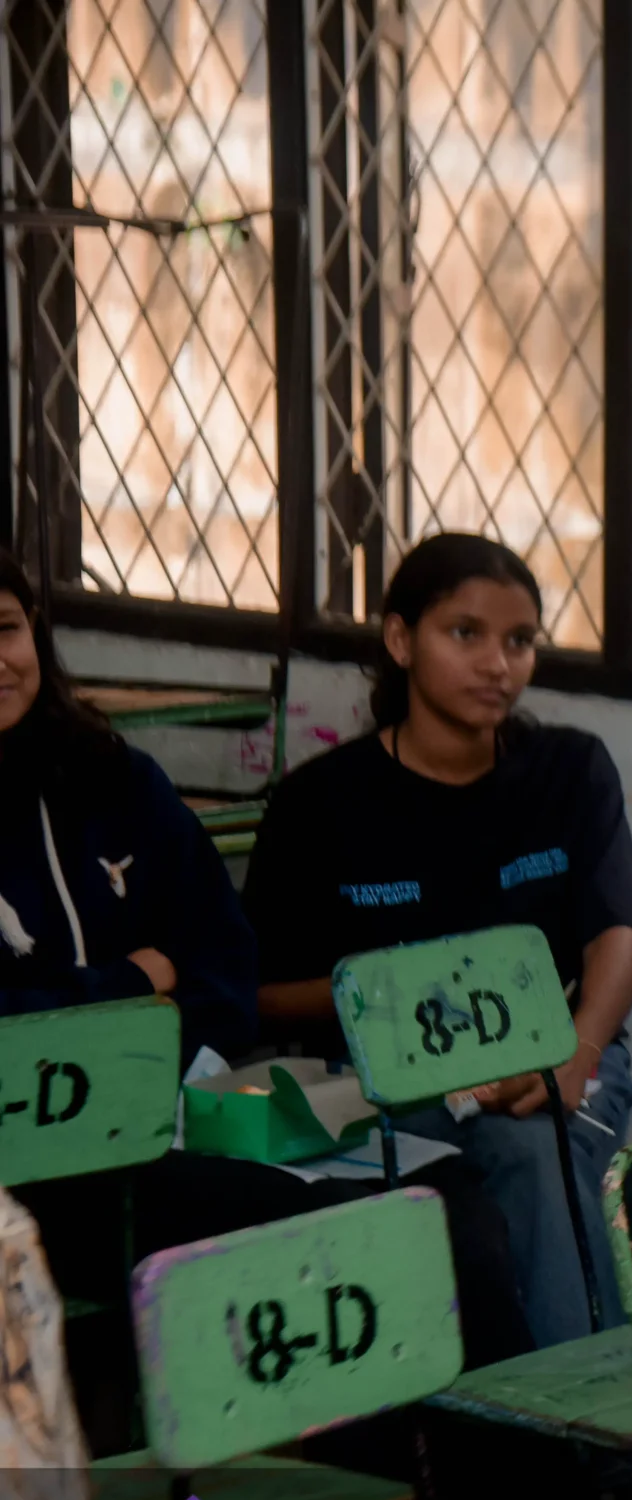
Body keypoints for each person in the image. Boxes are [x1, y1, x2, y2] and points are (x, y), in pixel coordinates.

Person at [0, 552, 529, 1378]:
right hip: (35, 1173)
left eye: (6, 630)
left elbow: (223, 963)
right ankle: (347, 1457)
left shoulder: (112, 778)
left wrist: (148, 1037)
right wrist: (134, 981)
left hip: (179, 1119)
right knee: (341, 1232)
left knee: (450, 1201)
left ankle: (505, 1453)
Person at [244, 534, 632, 1348]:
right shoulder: (320, 804)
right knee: (507, 1176)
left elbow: (616, 934)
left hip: (560, 1059)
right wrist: (392, 996)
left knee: (535, 1143)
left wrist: (577, 1054)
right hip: (386, 1086)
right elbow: (259, 992)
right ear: (401, 640)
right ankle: (591, 1411)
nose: (497, 664)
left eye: (520, 640)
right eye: (465, 633)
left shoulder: (569, 771)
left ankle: (580, 1406)